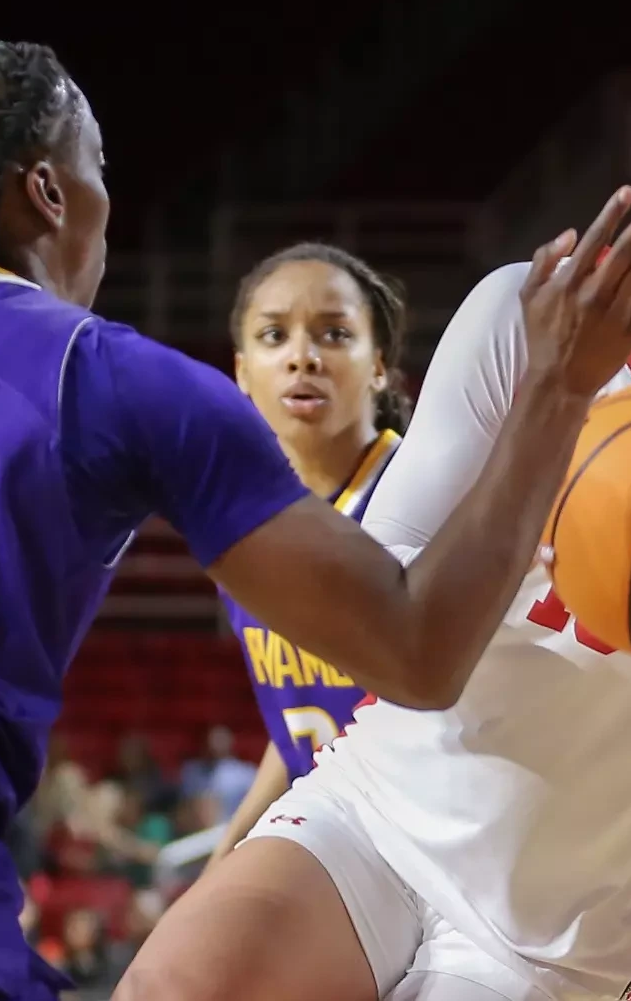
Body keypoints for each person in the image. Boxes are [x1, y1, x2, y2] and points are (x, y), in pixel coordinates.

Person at [0, 39, 631, 1000]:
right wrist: (555, 385)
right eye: (96, 164)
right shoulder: (103, 371)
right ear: (47, 191)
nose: (107, 197)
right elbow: (416, 647)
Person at [121, 20, 631, 1001]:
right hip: (384, 807)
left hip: (568, 919)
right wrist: (548, 430)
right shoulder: (530, 309)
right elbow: (379, 600)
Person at [207, 242, 412, 867]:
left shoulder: (425, 493)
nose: (303, 356)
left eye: (333, 334)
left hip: (437, 850)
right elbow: (304, 714)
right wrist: (235, 839)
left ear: (378, 364)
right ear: (242, 371)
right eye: (275, 336)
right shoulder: (237, 517)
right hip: (335, 846)